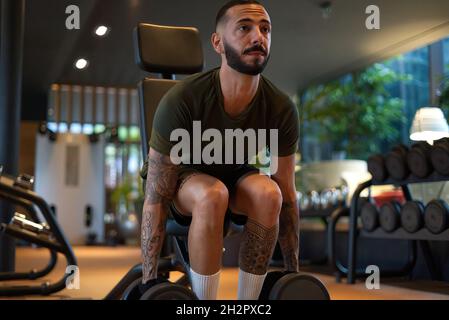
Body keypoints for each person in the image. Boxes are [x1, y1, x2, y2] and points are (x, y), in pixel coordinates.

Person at [140, 0, 300, 300]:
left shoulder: (280, 107)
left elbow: (288, 193)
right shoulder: (183, 99)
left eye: (265, 29)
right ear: (218, 42)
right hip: (182, 180)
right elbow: (156, 195)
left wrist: (293, 274)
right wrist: (150, 279)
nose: (258, 37)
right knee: (213, 195)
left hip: (234, 174)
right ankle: (203, 304)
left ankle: (249, 304)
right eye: (244, 28)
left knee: (270, 194)